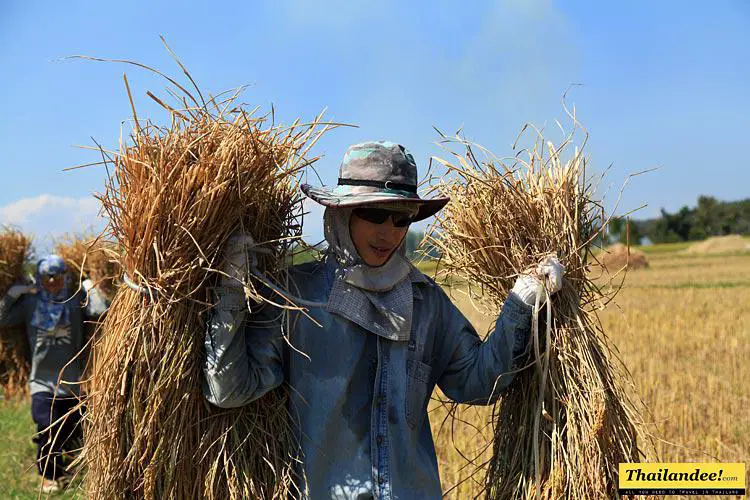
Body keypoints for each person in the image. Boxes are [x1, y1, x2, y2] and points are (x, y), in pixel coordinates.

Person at [203, 141, 565, 499]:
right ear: (342, 214)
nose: (388, 233)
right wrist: (231, 293)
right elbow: (229, 391)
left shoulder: (426, 303)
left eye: (401, 218)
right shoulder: (296, 297)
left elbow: (478, 382)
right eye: (374, 214)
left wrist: (522, 302)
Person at [0, 255, 108, 493]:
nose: (52, 281)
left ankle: (68, 469)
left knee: (72, 430)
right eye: (47, 277)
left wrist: (90, 288)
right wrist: (14, 293)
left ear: (65, 277)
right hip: (41, 382)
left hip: (72, 382)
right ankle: (48, 476)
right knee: (46, 427)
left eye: (56, 276)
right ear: (39, 278)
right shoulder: (30, 303)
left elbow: (101, 311)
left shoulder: (74, 301)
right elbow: (2, 318)